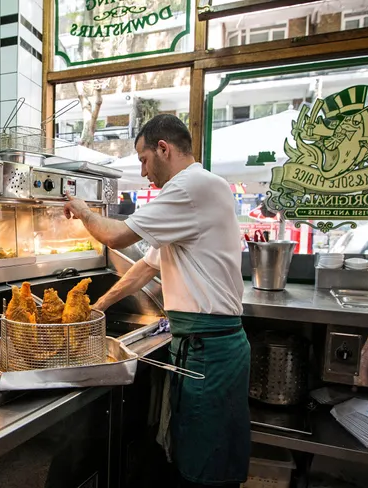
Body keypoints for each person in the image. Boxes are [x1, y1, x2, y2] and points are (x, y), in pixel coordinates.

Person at [63, 114, 249, 488]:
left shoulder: (191, 187)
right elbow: (146, 267)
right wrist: (99, 307)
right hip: (200, 346)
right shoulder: (194, 192)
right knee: (193, 450)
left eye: (144, 160)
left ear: (163, 148)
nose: (144, 172)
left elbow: (116, 237)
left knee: (207, 463)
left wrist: (84, 211)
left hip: (210, 349)